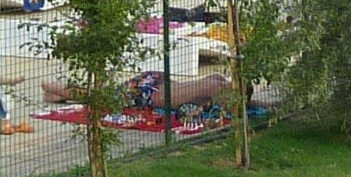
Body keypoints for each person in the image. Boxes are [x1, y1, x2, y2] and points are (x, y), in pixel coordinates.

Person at [41, 70, 229, 110]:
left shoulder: (217, 79)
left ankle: (55, 93)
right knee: (101, 98)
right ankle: (50, 86)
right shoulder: (216, 89)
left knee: (104, 94)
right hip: (148, 93)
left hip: (156, 81)